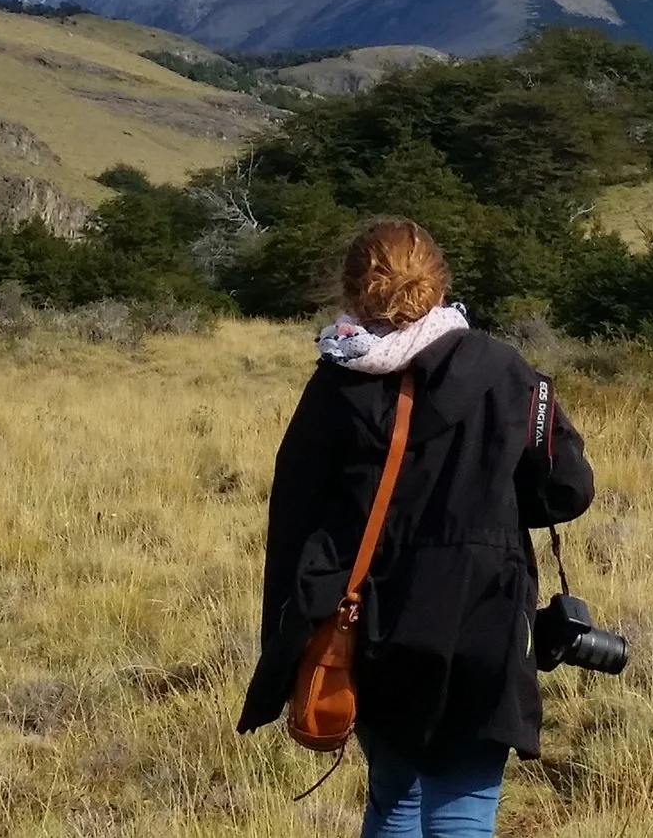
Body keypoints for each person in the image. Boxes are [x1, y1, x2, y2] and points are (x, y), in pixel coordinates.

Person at [239, 217, 596, 838]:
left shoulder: (337, 382)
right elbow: (567, 488)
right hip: (483, 613)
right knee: (463, 808)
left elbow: (296, 514)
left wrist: (288, 636)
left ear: (353, 291)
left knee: (396, 799)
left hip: (376, 615)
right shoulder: (505, 371)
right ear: (437, 282)